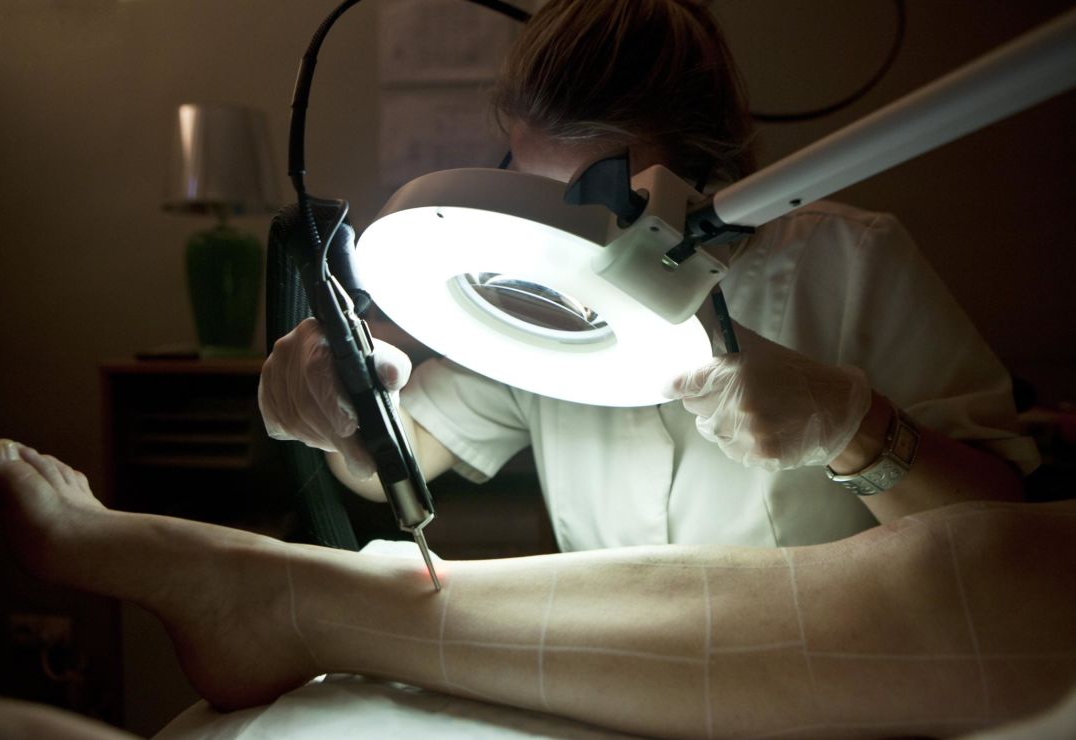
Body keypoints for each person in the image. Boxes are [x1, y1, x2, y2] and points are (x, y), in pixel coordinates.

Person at [260, 0, 1038, 553]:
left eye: (606, 206)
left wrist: (852, 427)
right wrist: (349, 409)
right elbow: (397, 460)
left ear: (709, 172)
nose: (573, 251)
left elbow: (1007, 535)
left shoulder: (849, 263)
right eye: (541, 198)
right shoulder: (535, 289)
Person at [0, 439, 1076, 739]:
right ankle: (289, 594)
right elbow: (387, 458)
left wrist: (860, 428)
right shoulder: (548, 257)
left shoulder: (860, 246)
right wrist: (333, 397)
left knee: (1008, 579)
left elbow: (981, 508)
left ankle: (285, 597)